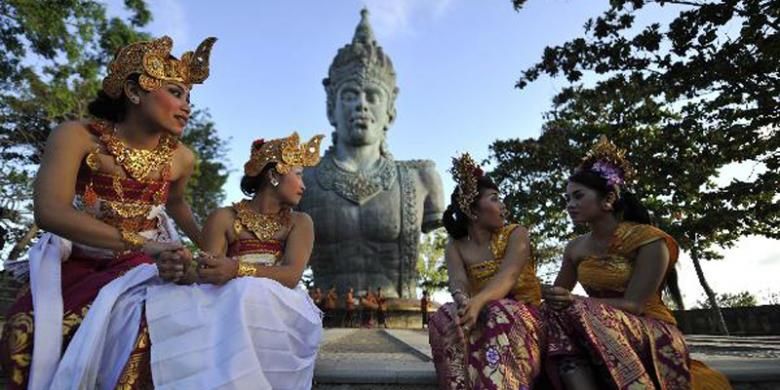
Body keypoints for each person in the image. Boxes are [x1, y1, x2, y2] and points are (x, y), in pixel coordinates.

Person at [0, 35, 214, 389]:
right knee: (25, 331)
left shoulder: (182, 159)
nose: (186, 106)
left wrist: (215, 249)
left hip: (144, 267)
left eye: (189, 97)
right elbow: (49, 211)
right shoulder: (77, 137)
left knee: (157, 322)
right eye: (176, 92)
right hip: (77, 260)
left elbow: (175, 204)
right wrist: (143, 244)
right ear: (133, 92)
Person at [542, 136, 731, 389]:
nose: (570, 206)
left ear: (608, 199)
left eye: (578, 196)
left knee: (576, 309)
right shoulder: (575, 247)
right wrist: (544, 292)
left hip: (649, 327)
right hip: (594, 322)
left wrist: (575, 301)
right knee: (550, 315)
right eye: (567, 199)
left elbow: (634, 304)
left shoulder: (649, 240)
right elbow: (559, 298)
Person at [148, 131, 326, 389]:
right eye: (298, 174)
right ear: (274, 175)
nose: (303, 185)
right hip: (228, 301)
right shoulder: (224, 217)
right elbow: (205, 273)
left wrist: (237, 269)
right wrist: (180, 266)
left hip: (283, 304)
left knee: (247, 289)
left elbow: (291, 275)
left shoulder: (300, 222)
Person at [429, 153, 545, 389]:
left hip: (525, 316)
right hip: (480, 313)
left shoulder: (516, 234)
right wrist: (462, 301)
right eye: (494, 199)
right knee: (444, 315)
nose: (502, 205)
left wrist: (478, 301)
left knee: (498, 309)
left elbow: (507, 278)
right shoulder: (455, 245)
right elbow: (458, 281)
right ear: (473, 212)